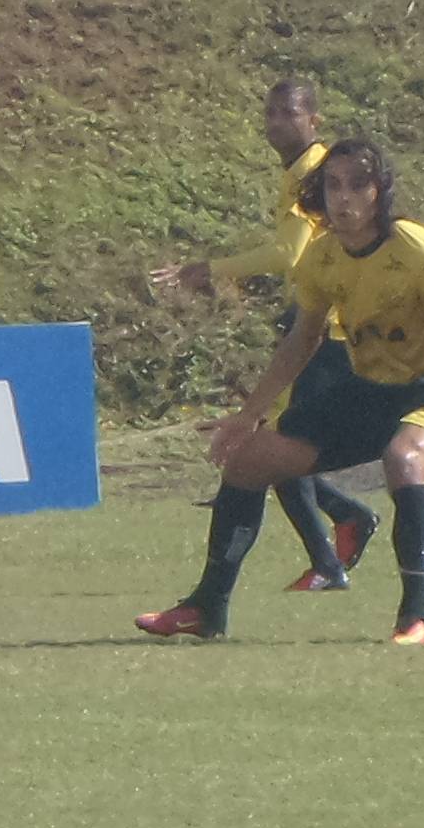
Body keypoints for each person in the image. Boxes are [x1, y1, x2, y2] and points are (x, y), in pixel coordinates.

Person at [136, 139, 424, 646]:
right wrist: (249, 416)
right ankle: (206, 607)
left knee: (403, 462)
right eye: (333, 185)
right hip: (364, 392)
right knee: (246, 462)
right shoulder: (323, 257)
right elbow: (303, 339)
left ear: (380, 192)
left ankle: (415, 618)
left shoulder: (421, 252)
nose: (344, 197)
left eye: (358, 184)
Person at [151, 79, 379, 592]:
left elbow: (288, 255)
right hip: (318, 318)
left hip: (330, 327)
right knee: (278, 443)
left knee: (275, 444)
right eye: (270, 113)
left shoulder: (317, 175)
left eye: (288, 114)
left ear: (313, 121)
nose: (275, 123)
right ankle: (343, 525)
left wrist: (210, 268)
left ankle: (332, 552)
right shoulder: (301, 172)